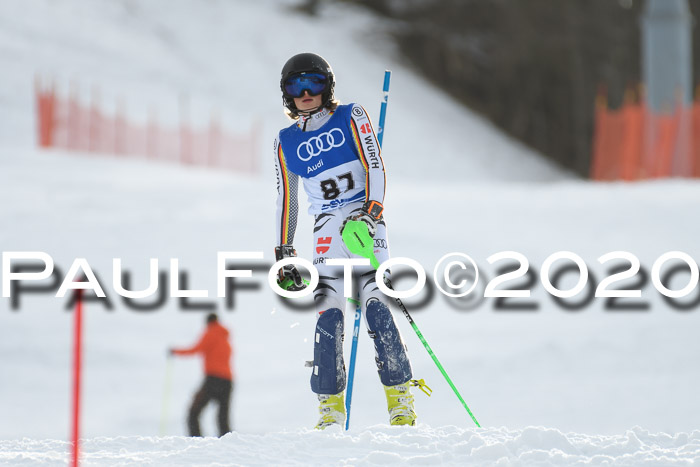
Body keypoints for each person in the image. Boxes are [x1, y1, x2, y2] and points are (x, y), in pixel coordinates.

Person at [273, 52, 416, 429]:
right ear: (286, 93)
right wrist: (284, 252)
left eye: (314, 83)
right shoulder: (285, 141)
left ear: (328, 87)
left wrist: (370, 213)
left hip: (362, 221)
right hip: (325, 231)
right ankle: (330, 409)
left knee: (377, 305)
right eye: (295, 86)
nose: (305, 92)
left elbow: (375, 166)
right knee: (328, 316)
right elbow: (287, 199)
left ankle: (400, 399)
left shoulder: (351, 115)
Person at [170, 313, 233, 437]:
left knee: (193, 413)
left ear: (208, 322)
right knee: (222, 418)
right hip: (228, 381)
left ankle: (196, 442)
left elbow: (195, 349)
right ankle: (229, 445)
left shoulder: (210, 333)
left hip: (213, 379)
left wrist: (175, 351)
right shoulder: (225, 338)